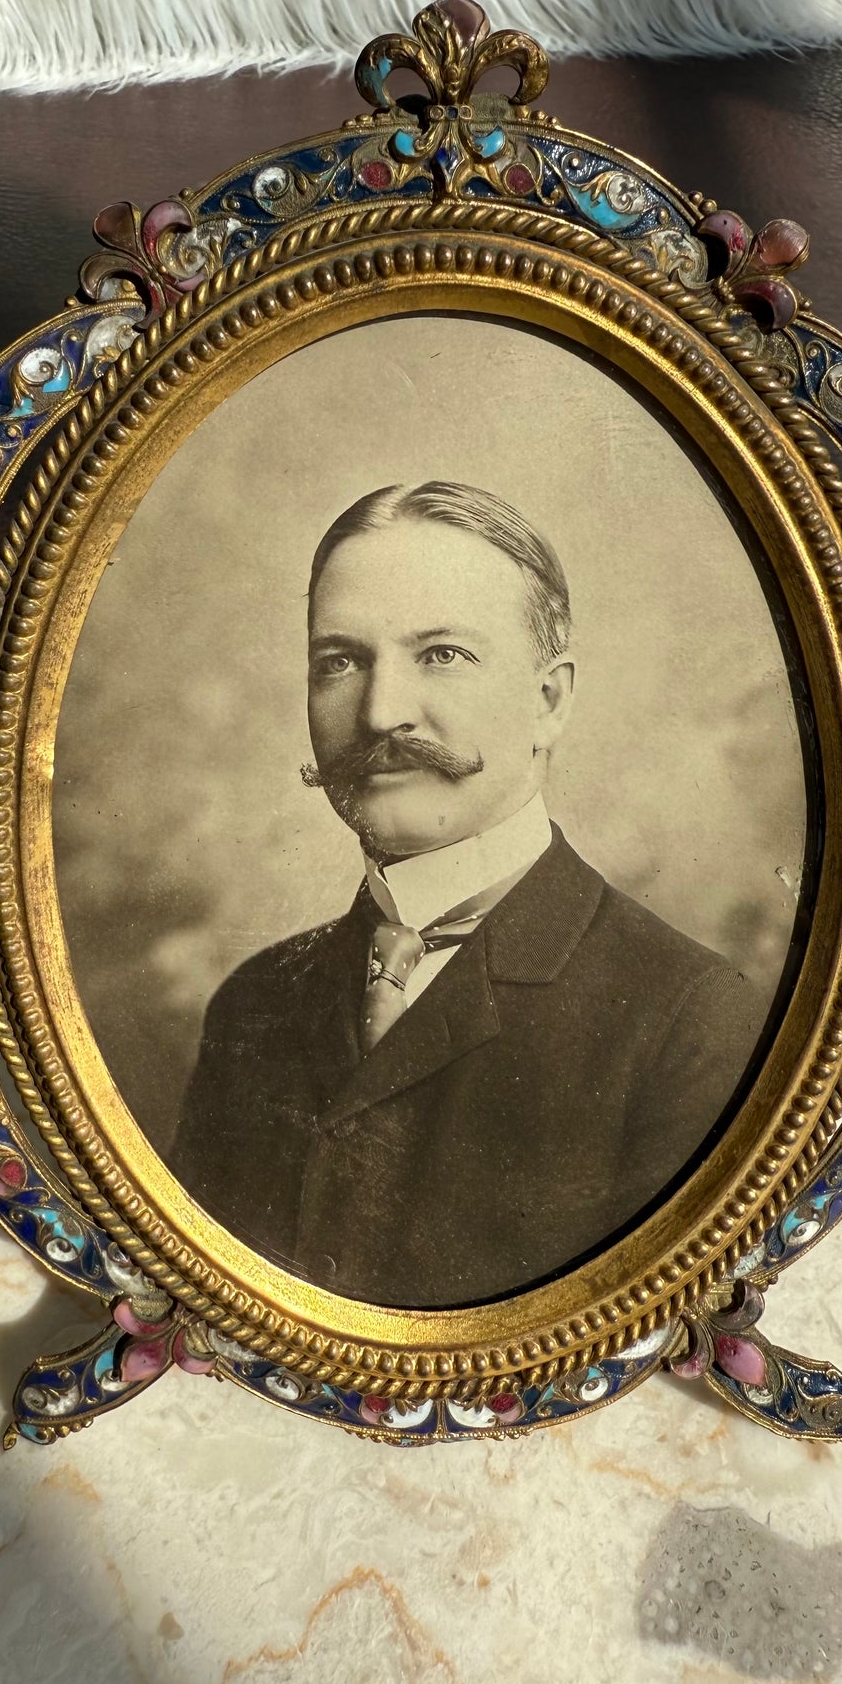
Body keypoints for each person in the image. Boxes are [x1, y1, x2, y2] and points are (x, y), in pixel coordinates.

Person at [168, 481, 763, 1305]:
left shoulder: (688, 1023)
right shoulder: (253, 1003)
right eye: (339, 661)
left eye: (441, 654)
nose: (380, 711)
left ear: (548, 700)